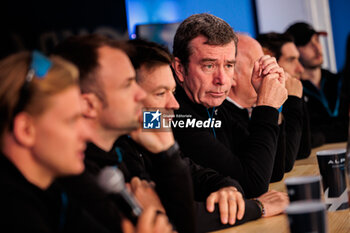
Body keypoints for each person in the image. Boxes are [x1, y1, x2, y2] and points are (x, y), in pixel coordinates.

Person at [115, 39, 289, 233]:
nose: (174, 104)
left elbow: (217, 179)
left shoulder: (214, 111)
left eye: (228, 65)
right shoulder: (172, 123)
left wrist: (228, 190)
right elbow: (182, 218)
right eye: (160, 93)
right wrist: (257, 207)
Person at [53, 35, 177, 233]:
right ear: (89, 104)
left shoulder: (118, 154)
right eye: (128, 84)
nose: (140, 95)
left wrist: (168, 154)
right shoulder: (74, 178)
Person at [171, 13, 288, 198]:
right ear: (180, 69)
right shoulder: (171, 115)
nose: (222, 80)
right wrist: (266, 106)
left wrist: (275, 106)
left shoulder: (216, 107)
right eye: (209, 66)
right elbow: (253, 185)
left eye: (228, 66)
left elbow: (274, 170)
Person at [286, 22, 349, 144]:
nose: (317, 48)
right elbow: (303, 135)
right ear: (294, 50)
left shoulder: (339, 81)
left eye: (317, 40)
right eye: (307, 44)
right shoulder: (293, 89)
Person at [256, 32, 312, 158]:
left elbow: (303, 149)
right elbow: (289, 157)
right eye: (291, 60)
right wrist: (294, 99)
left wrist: (296, 97)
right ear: (268, 62)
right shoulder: (257, 101)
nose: (300, 69)